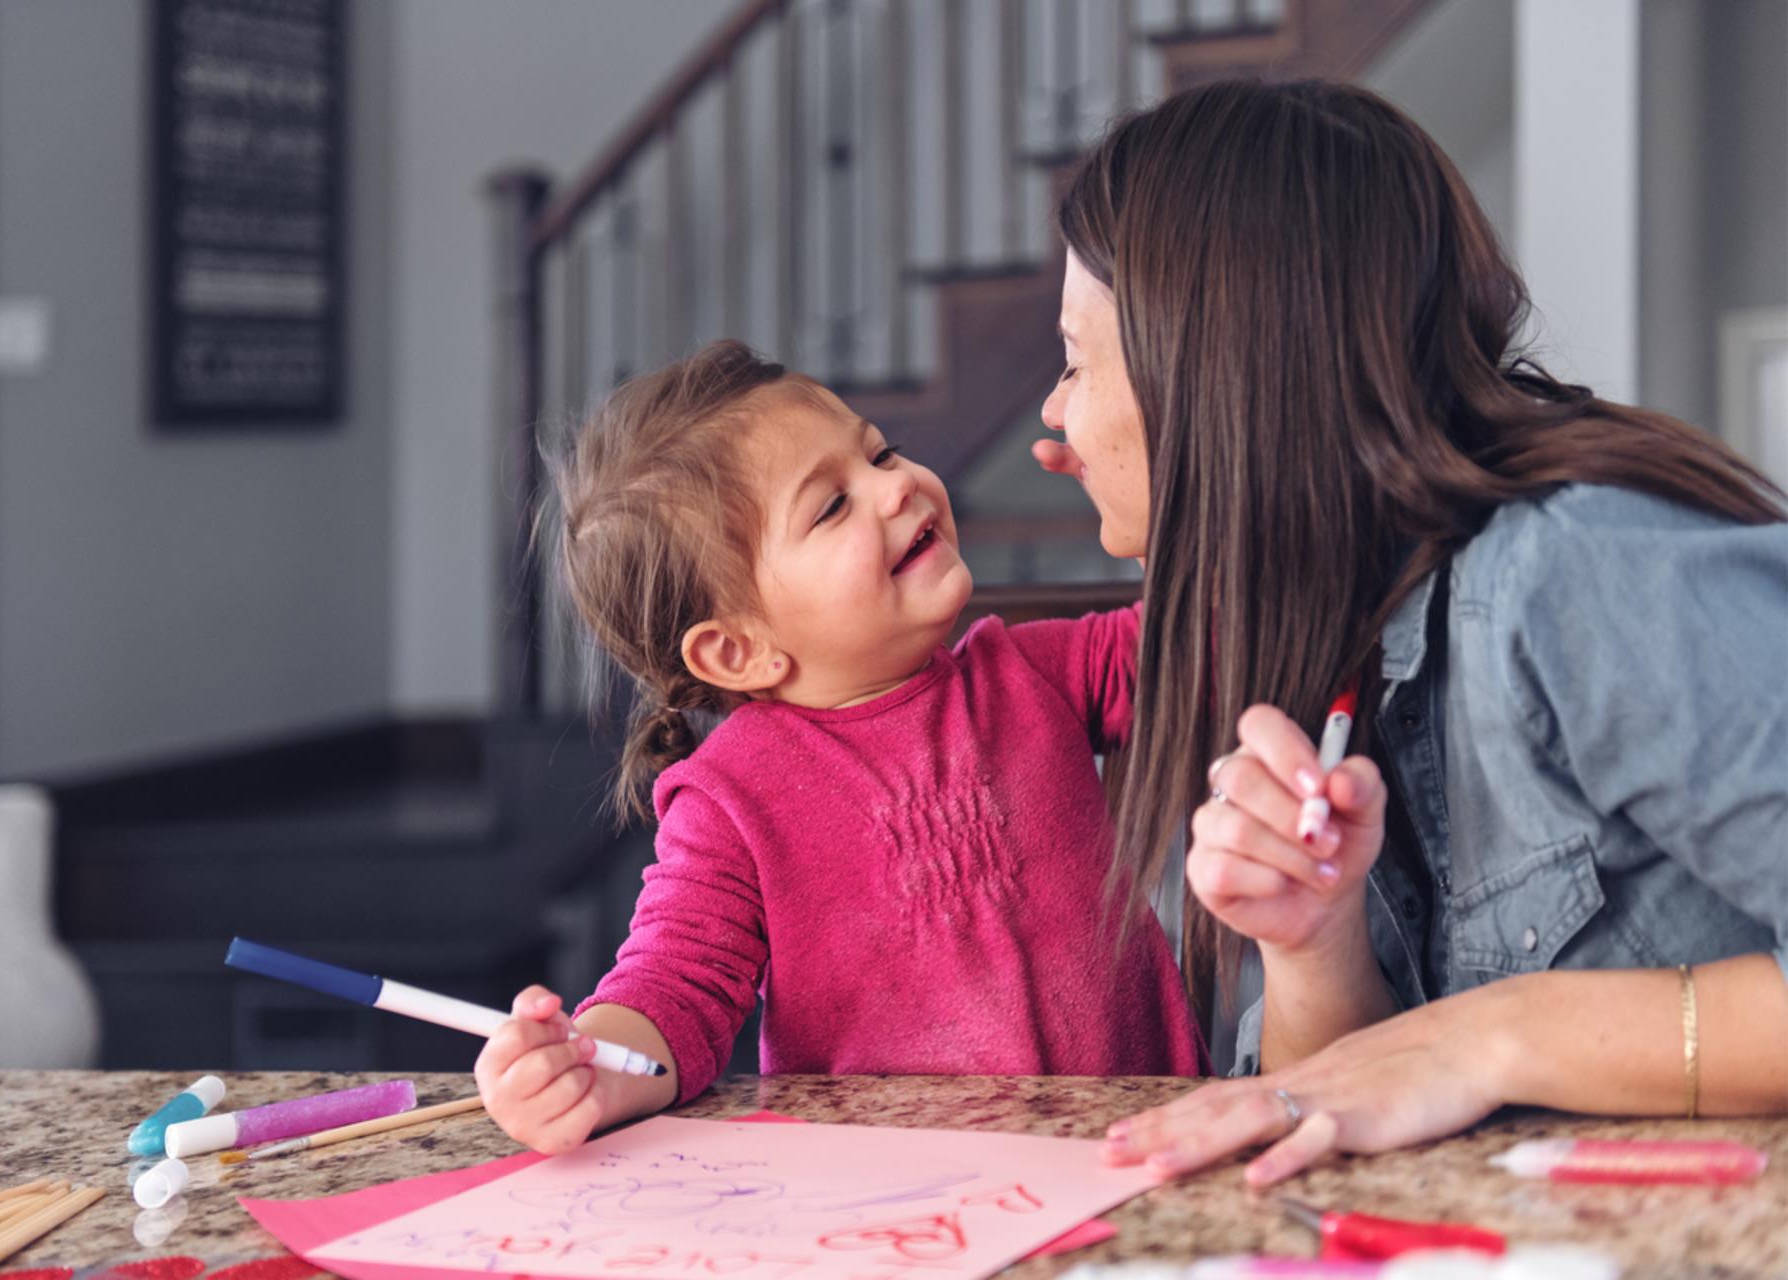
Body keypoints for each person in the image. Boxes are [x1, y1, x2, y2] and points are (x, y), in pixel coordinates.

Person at [1028, 78, 1788, 1184]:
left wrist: (1493, 1034)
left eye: (1073, 359)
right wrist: (1315, 942)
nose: (1054, 412)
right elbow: (1337, 1099)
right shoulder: (1311, 632)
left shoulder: (1577, 568)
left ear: (1211, 366)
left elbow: (1447, 1058)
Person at [475, 340, 1206, 1154]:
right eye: (831, 507)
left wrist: (1158, 493)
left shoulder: (1033, 672)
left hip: (1141, 1155)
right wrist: (589, 1067)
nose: (896, 485)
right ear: (738, 651)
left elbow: (1214, 640)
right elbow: (672, 987)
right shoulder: (731, 797)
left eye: (881, 452)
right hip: (900, 1192)